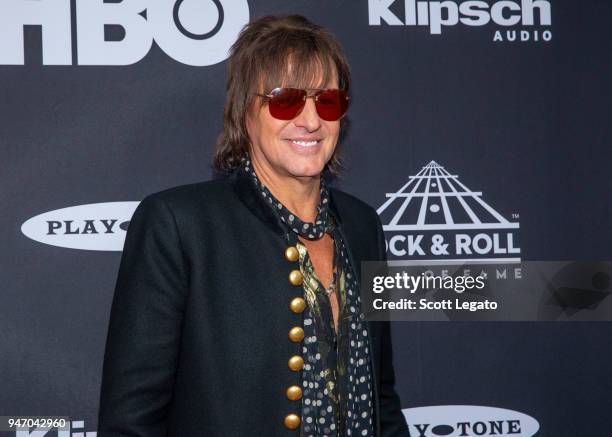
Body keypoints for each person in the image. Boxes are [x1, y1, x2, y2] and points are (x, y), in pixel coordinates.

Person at [98, 14, 408, 437]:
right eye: (286, 100)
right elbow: (130, 421)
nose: (311, 120)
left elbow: (381, 398)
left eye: (328, 101)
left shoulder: (362, 225)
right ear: (245, 111)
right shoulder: (178, 225)